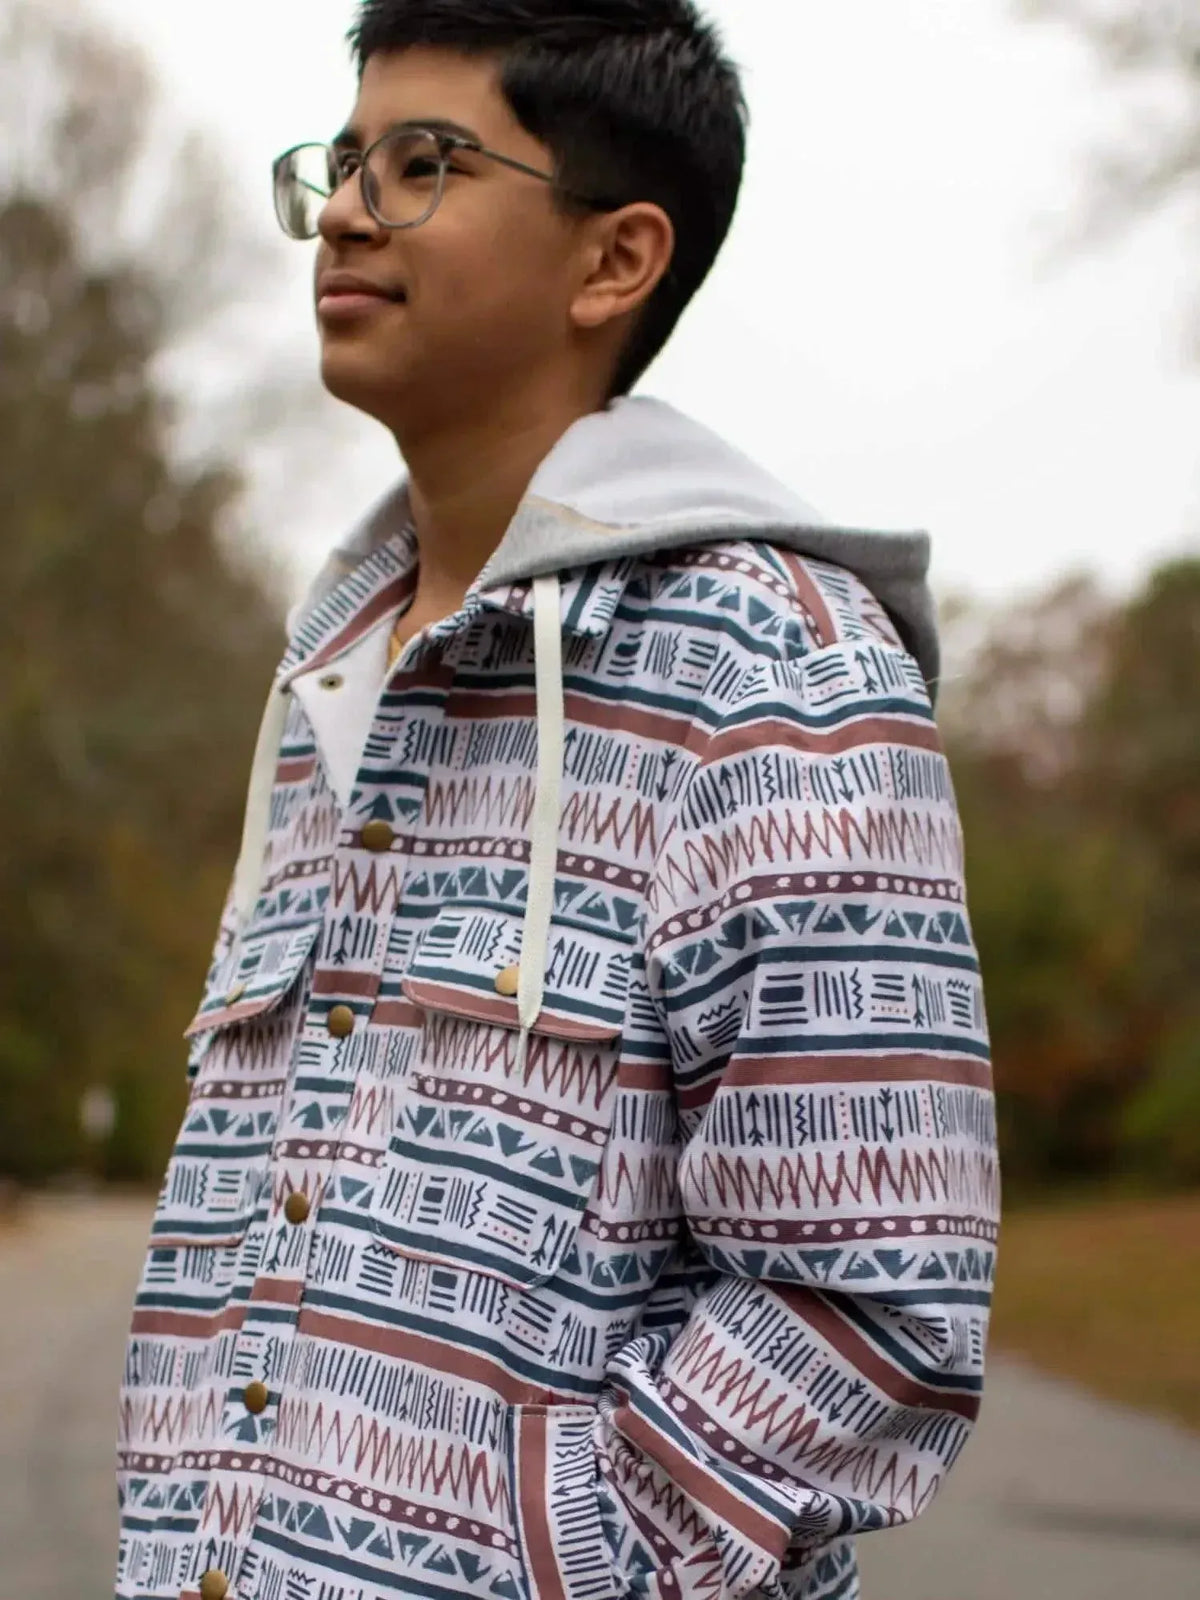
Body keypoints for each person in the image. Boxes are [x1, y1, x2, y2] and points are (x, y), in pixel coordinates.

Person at [115, 4, 999, 1599]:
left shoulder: (775, 666)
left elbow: (870, 1302)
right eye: (345, 161)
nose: (348, 211)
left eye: (426, 164)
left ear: (615, 260)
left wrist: (568, 1561)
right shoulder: (330, 674)